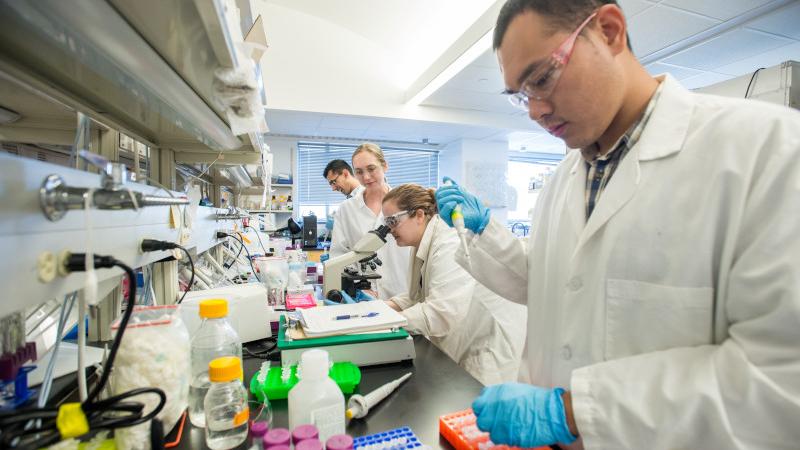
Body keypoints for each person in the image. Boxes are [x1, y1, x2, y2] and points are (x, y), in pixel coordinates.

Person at [435, 1, 800, 449]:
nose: (533, 110)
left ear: (609, 30)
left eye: (543, 78)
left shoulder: (771, 151)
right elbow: (552, 281)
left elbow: (781, 378)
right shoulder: (562, 180)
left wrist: (571, 412)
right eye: (521, 94)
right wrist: (483, 230)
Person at [381, 184, 527, 385]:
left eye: (392, 221)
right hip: (468, 336)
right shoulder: (423, 241)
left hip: (488, 343)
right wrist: (382, 309)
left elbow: (442, 310)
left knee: (478, 411)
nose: (388, 230)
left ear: (419, 215)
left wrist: (384, 324)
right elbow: (419, 295)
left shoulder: (448, 239)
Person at [330, 143, 411, 300]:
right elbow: (339, 255)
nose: (366, 177)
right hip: (365, 297)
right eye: (359, 172)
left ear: (385, 166)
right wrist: (359, 285)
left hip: (403, 292)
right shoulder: (347, 209)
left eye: (371, 168)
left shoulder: (405, 204)